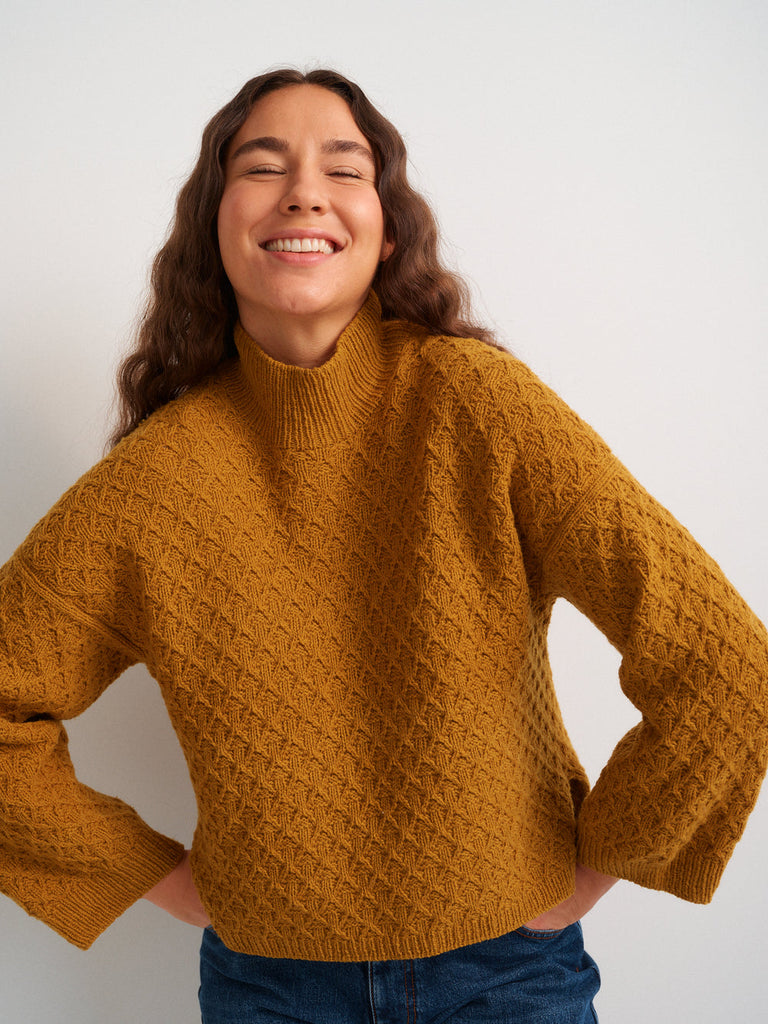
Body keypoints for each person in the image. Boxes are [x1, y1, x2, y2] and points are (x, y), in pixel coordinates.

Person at [0, 67, 766, 1024]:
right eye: (262, 165)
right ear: (213, 227)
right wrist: (162, 880)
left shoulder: (480, 406)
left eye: (344, 168)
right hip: (268, 989)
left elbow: (725, 661)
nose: (304, 190)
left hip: (507, 978)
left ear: (388, 228)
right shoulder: (154, 484)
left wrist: (600, 865)